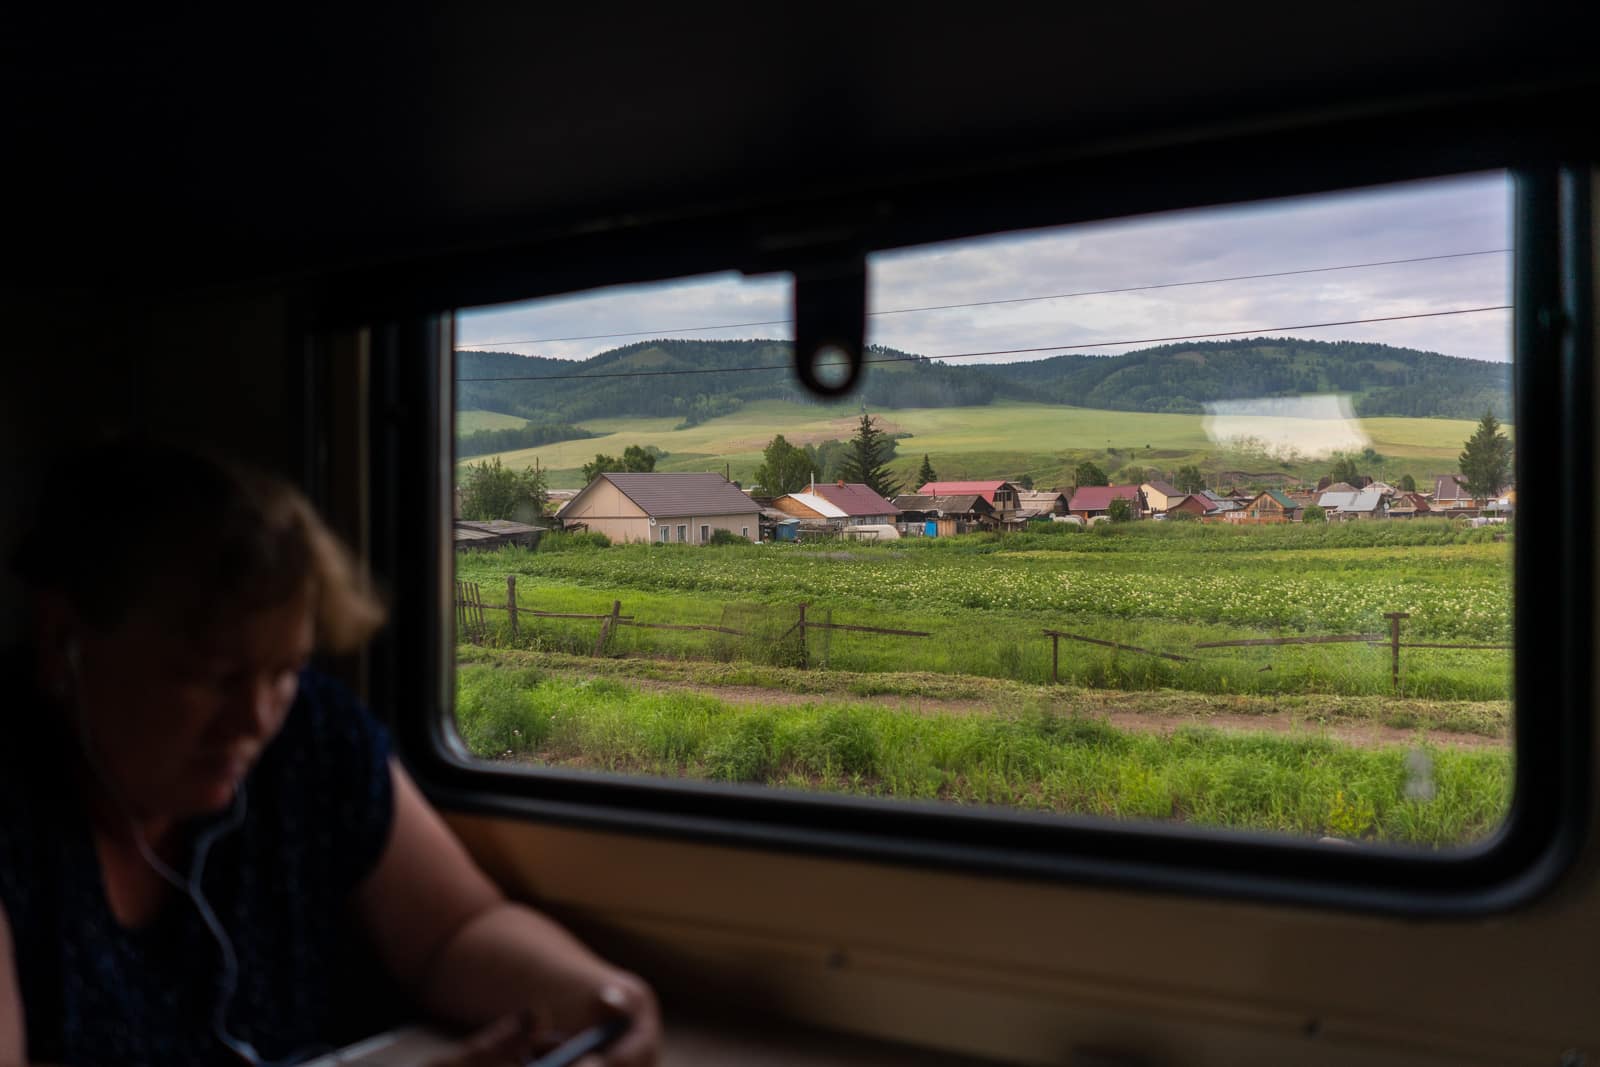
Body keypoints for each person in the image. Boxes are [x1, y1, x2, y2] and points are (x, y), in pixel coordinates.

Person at [0, 439, 661, 1066]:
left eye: (286, 669)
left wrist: (593, 995)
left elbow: (452, 931)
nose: (257, 717)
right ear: (64, 640)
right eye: (214, 675)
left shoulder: (311, 734)